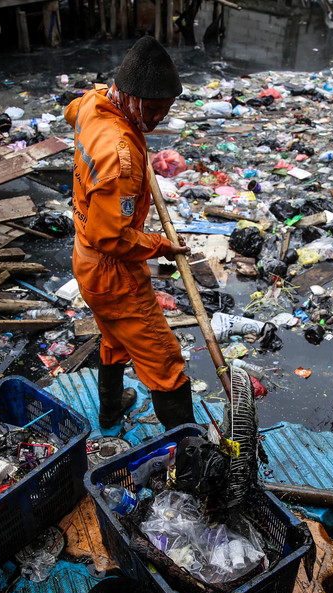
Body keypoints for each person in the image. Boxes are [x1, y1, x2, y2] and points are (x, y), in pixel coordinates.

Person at [64, 36, 196, 431]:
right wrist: (160, 245)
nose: (157, 120)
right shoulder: (120, 158)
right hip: (112, 268)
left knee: (113, 336)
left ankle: (110, 408)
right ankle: (190, 454)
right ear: (129, 96)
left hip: (86, 260)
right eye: (152, 110)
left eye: (165, 111)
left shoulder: (95, 102)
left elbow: (73, 111)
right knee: (164, 361)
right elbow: (114, 239)